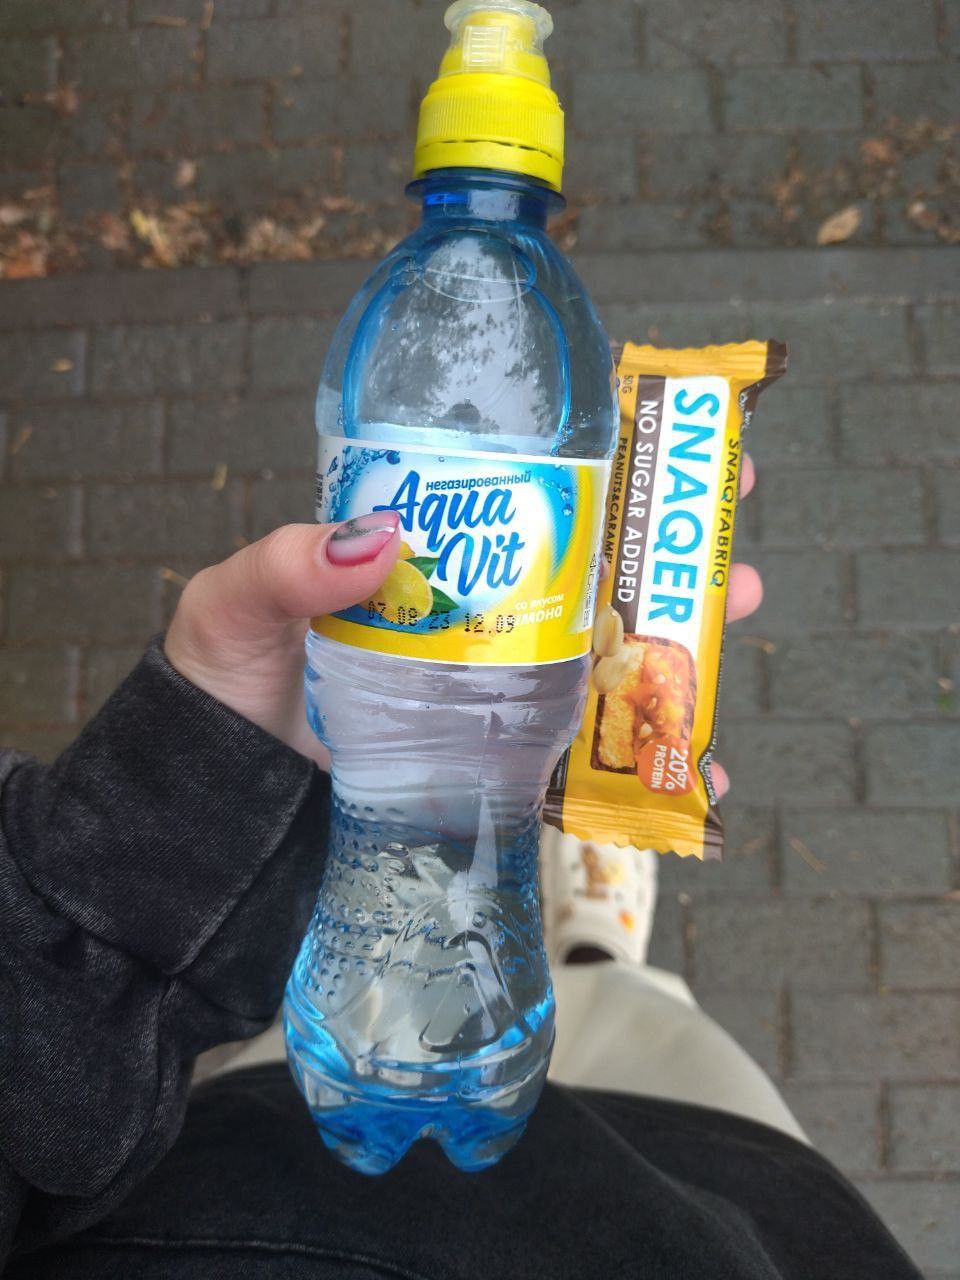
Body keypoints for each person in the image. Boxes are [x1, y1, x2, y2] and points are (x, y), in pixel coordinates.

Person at [0, 485, 922, 1278]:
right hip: (701, 1187)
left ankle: (577, 935)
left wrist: (181, 800)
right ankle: (598, 949)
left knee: (444, 930)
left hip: (266, 1125)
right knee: (644, 1023)